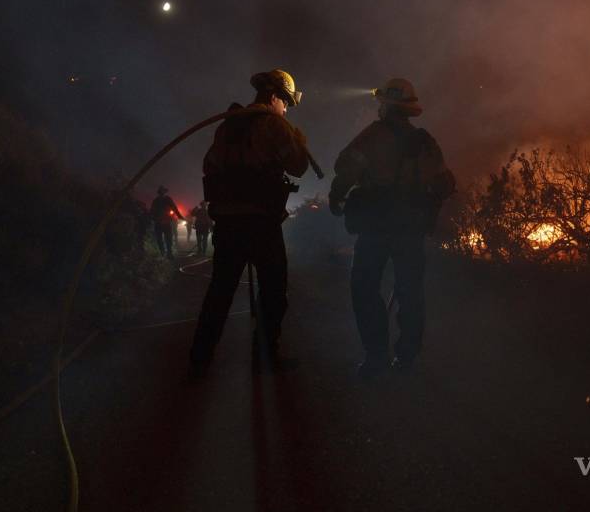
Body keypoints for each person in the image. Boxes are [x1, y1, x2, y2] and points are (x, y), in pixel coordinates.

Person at [328, 78, 455, 379]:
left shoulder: (372, 136)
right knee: (410, 291)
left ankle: (376, 357)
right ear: (410, 110)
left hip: (376, 226)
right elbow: (445, 183)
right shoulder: (425, 142)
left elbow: (345, 168)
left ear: (386, 105)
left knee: (364, 287)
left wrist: (337, 196)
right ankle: (407, 357)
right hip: (410, 228)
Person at [189, 69, 309, 378]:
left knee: (220, 291)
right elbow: (298, 167)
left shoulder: (229, 126)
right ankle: (267, 357)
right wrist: (297, 140)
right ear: (274, 97)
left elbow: (209, 165)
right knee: (273, 290)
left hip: (228, 223)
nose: (286, 110)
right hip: (260, 222)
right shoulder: (275, 125)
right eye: (286, 103)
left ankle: (199, 359)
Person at [150, 185, 184, 259]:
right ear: (159, 192)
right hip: (159, 222)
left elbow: (174, 208)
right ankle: (163, 252)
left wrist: (179, 216)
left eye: (163, 191)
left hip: (165, 222)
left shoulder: (167, 199)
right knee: (159, 239)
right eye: (161, 191)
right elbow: (152, 211)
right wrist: (152, 218)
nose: (162, 193)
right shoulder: (156, 201)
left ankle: (169, 253)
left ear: (164, 192)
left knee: (168, 239)